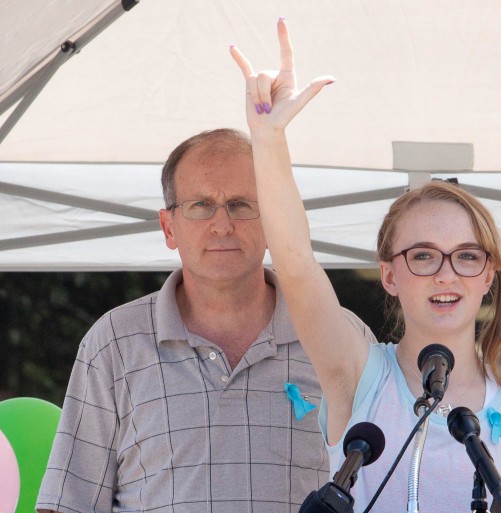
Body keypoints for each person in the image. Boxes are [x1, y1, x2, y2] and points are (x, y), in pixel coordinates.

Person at [231, 18, 501, 513]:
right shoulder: (359, 375)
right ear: (389, 274)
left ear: (488, 277)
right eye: (424, 256)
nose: (446, 274)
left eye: (467, 256)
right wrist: (268, 137)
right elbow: (297, 265)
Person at [36, 128, 374, 513]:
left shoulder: (341, 337)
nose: (222, 225)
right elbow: (67, 503)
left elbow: (386, 491)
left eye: (241, 204)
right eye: (200, 205)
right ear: (169, 227)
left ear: (273, 221)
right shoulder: (113, 343)